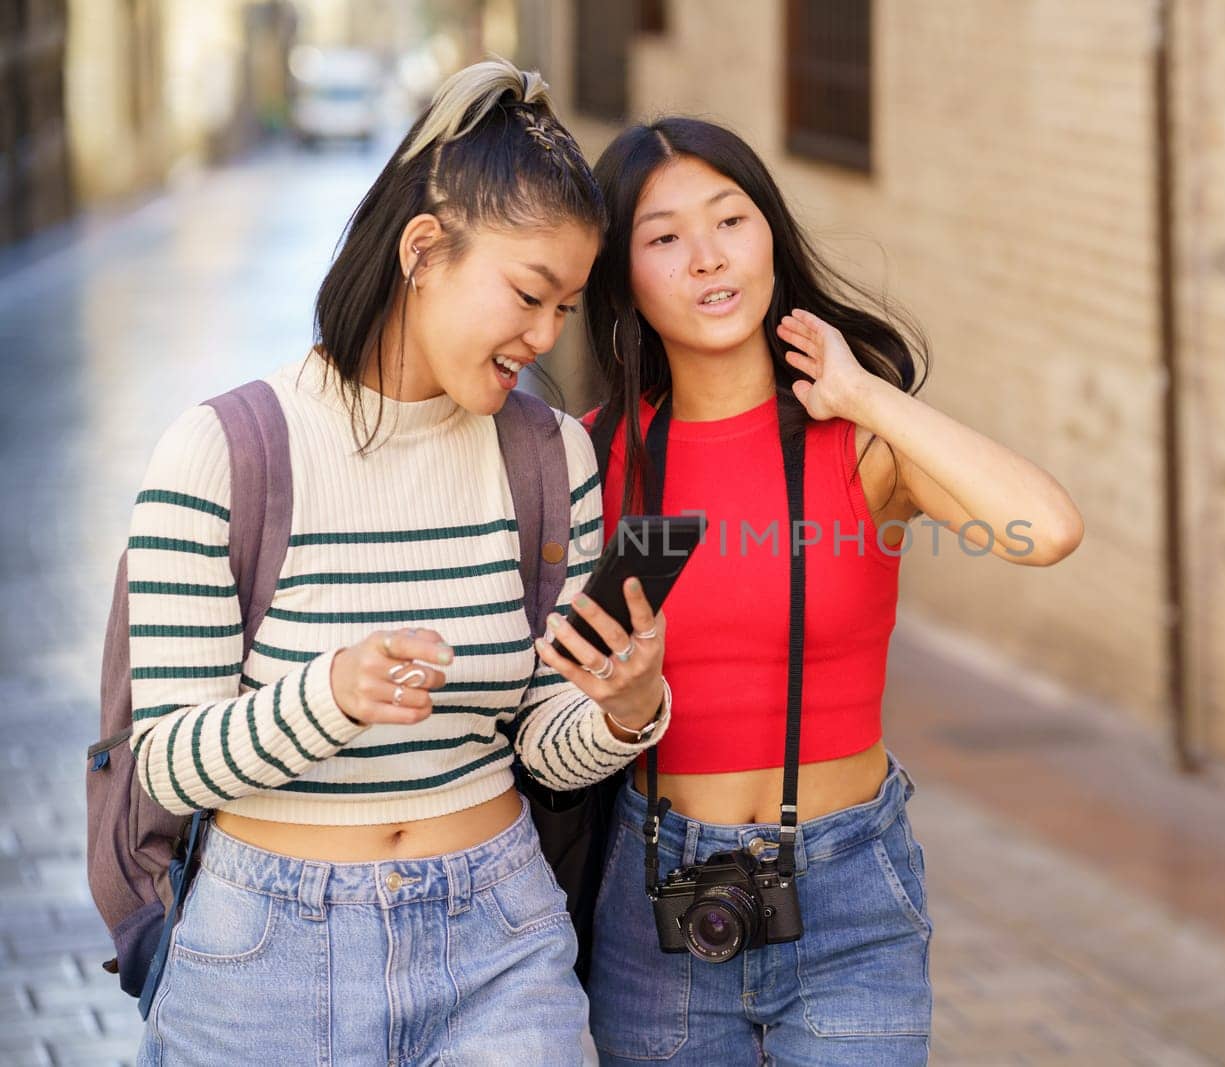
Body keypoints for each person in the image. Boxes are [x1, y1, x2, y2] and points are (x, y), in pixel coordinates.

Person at [127, 59, 671, 1066]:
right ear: (424, 249)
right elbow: (164, 761)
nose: (546, 335)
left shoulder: (551, 457)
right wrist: (331, 692)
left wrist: (623, 707)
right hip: (264, 961)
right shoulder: (222, 452)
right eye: (527, 293)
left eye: (567, 305)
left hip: (499, 939)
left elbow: (543, 743)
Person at [578, 118, 1083, 1065]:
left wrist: (864, 396)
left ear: (772, 234)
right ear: (623, 277)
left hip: (848, 887)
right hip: (655, 892)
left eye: (730, 219)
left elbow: (1045, 529)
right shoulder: (588, 457)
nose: (707, 258)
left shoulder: (859, 445)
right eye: (663, 237)